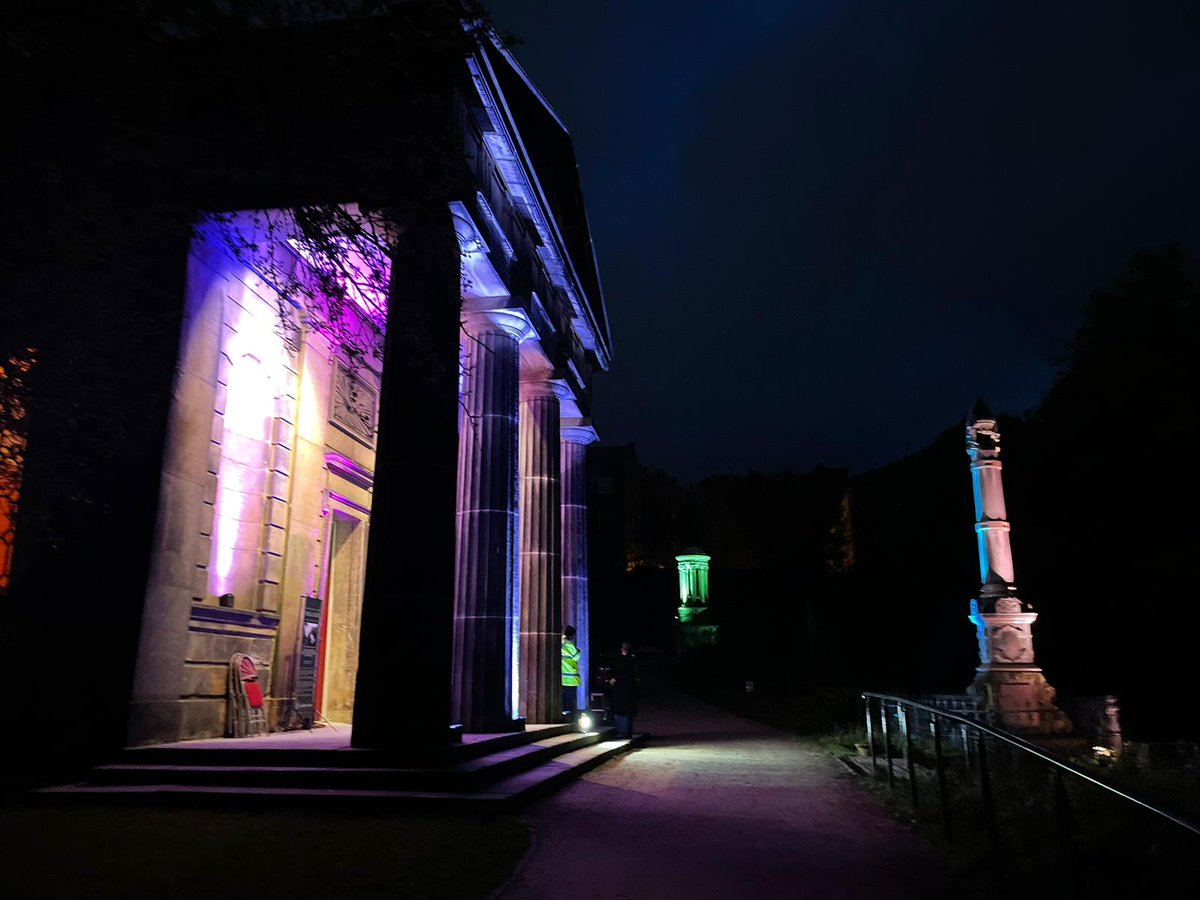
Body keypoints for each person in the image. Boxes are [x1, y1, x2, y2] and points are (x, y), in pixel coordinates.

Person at [608, 641, 639, 738]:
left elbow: (622, 672)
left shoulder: (625, 660)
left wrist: (615, 679)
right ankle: (626, 731)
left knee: (622, 710)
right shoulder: (631, 659)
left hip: (622, 690)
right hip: (628, 689)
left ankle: (623, 731)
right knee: (626, 711)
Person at [561, 625, 581, 722]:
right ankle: (570, 719)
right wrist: (579, 651)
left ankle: (565, 714)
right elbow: (576, 656)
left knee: (563, 701)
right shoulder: (568, 644)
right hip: (570, 678)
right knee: (570, 702)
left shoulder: (560, 643)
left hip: (562, 677)